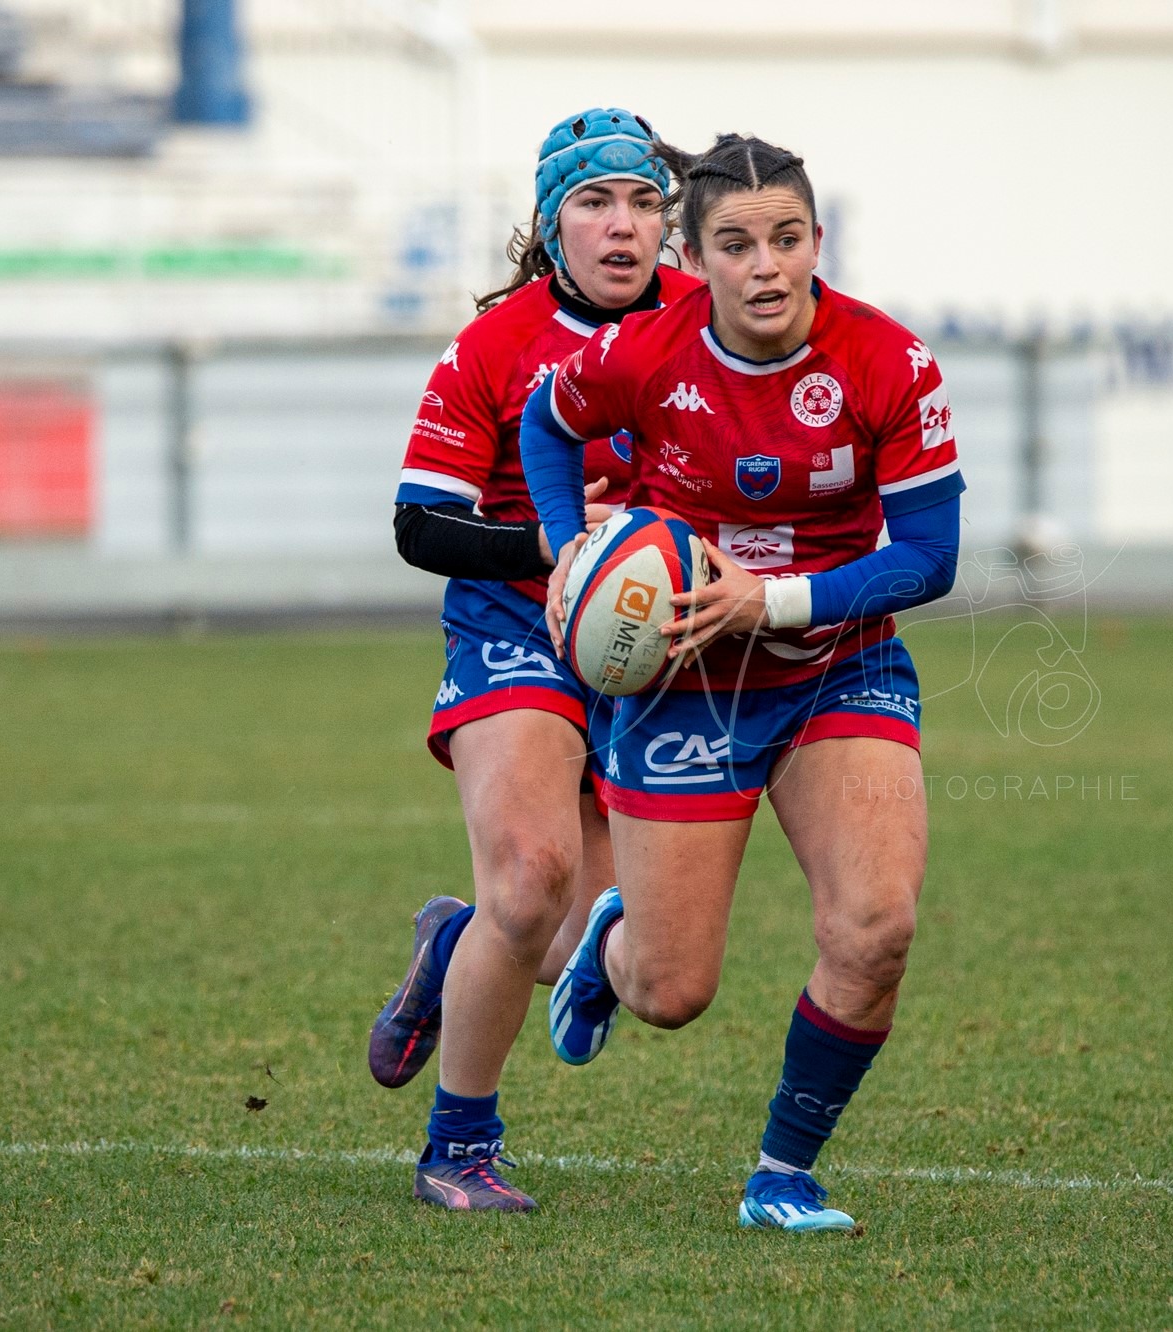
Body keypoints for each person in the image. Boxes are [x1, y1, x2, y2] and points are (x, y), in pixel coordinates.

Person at [520, 133, 964, 1233]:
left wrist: (771, 601)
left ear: (818, 240)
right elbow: (548, 420)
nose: (766, 266)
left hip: (836, 668)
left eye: (787, 238)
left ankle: (782, 1174)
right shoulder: (643, 352)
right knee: (669, 993)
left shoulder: (889, 362)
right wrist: (569, 546)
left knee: (876, 928)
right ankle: (610, 942)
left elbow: (930, 557)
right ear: (691, 255)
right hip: (684, 680)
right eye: (735, 244)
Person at [370, 108, 699, 1213]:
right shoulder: (496, 345)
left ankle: (449, 942)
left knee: (584, 946)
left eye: (644, 203)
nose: (623, 226)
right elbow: (421, 524)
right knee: (529, 880)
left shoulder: (706, 326)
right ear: (552, 224)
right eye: (595, 203)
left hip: (652, 653)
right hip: (514, 632)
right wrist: (556, 546)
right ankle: (458, 1149)